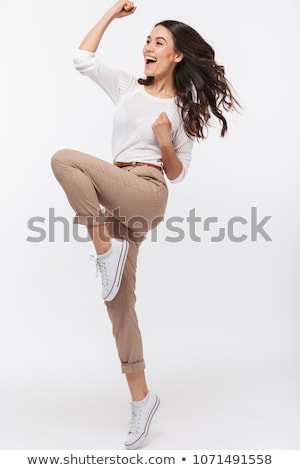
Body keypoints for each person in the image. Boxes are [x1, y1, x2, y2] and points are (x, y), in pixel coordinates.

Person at [51, 0, 239, 450]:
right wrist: (111, 15)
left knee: (63, 159)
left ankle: (104, 251)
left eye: (159, 42)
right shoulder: (126, 86)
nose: (148, 47)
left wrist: (162, 142)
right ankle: (142, 400)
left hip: (148, 189)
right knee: (118, 301)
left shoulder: (184, 108)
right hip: (116, 187)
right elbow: (82, 60)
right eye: (147, 39)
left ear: (177, 55)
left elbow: (177, 172)